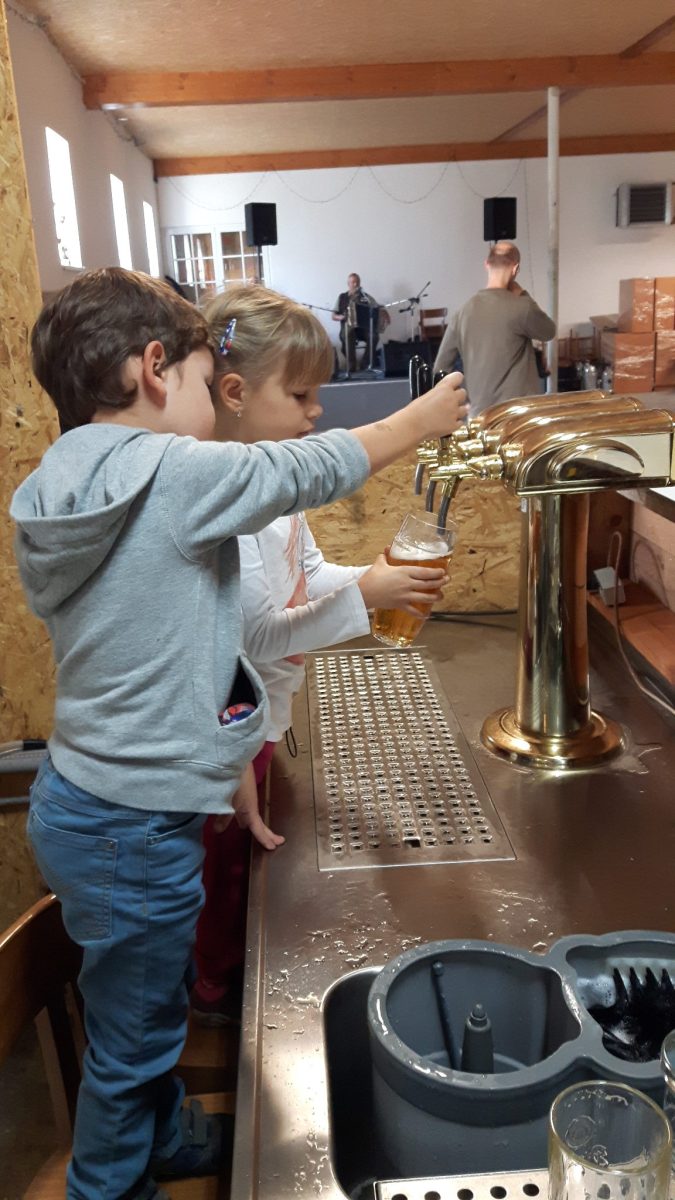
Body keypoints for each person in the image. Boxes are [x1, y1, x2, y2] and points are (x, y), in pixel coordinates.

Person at [10, 267, 468, 1200]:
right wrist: (417, 421)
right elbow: (302, 470)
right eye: (195, 374)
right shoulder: (167, 471)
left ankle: (167, 1135)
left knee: (144, 1008)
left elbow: (167, 646)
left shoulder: (63, 480)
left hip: (90, 801)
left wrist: (227, 750)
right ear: (153, 369)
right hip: (135, 824)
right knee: (135, 1039)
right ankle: (110, 1186)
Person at [191, 285, 452, 1024]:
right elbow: (257, 636)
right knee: (224, 877)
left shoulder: (278, 492)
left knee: (243, 867)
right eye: (301, 395)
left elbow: (307, 574)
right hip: (228, 732)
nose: (315, 412)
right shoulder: (223, 509)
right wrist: (367, 596)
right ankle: (214, 996)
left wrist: (374, 580)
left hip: (265, 718)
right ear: (235, 394)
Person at [434, 241, 556, 416]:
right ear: (515, 269)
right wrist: (522, 294)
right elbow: (548, 331)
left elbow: (441, 368)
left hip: (479, 416)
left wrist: (463, 402)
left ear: (487, 264)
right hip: (517, 417)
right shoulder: (522, 307)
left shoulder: (462, 313)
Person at [332, 271, 389, 372]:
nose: (355, 284)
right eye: (353, 282)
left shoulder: (365, 297)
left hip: (363, 328)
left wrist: (385, 313)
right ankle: (351, 366)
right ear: (348, 284)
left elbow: (377, 307)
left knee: (374, 336)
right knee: (348, 335)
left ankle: (365, 364)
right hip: (348, 328)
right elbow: (333, 316)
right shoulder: (342, 297)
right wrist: (342, 317)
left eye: (357, 282)